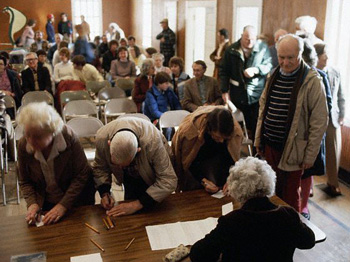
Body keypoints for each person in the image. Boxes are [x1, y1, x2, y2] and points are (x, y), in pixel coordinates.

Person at [190, 157, 315, 262]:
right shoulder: (288, 215)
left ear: (235, 188)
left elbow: (199, 254)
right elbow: (309, 241)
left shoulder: (231, 222)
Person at [254, 34, 328, 212]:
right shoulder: (273, 75)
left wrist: (310, 155)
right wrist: (258, 140)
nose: (285, 63)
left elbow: (319, 122)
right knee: (270, 192)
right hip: (270, 145)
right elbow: (262, 110)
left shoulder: (312, 81)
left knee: (289, 197)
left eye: (290, 58)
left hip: (294, 149)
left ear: (300, 54)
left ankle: (291, 232)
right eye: (281, 57)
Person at [18, 102, 95, 225]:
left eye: (37, 137)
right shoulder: (23, 145)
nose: (31, 141)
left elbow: (82, 175)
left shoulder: (68, 137)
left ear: (52, 132)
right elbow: (25, 181)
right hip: (47, 202)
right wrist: (32, 204)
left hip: (77, 201)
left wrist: (63, 205)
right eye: (27, 135)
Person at [92, 117, 177, 216]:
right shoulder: (102, 138)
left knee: (156, 214)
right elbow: (100, 168)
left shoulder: (152, 141)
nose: (120, 168)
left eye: (124, 165)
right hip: (130, 178)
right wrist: (104, 192)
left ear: (138, 150)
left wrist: (137, 204)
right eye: (116, 164)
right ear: (109, 144)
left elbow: (168, 180)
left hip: (153, 178)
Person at [220, 25, 272, 141]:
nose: (250, 42)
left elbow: (268, 65)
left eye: (253, 39)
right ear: (241, 36)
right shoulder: (231, 50)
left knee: (255, 125)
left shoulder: (262, 48)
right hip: (237, 94)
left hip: (256, 94)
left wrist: (256, 70)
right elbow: (223, 72)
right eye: (247, 39)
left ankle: (255, 151)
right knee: (234, 126)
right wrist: (224, 91)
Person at [172, 106, 243, 192]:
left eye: (224, 138)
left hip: (218, 158)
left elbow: (230, 157)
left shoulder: (235, 132)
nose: (221, 141)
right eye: (218, 137)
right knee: (195, 189)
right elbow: (188, 162)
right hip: (197, 159)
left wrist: (229, 179)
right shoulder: (190, 132)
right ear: (209, 130)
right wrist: (203, 180)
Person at [315, 43, 346, 196]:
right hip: (314, 119)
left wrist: (342, 115)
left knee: (334, 151)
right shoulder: (310, 73)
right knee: (310, 151)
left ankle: (333, 183)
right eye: (324, 54)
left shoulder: (335, 71)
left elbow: (341, 95)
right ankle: (306, 185)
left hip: (332, 118)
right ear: (316, 56)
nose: (327, 57)